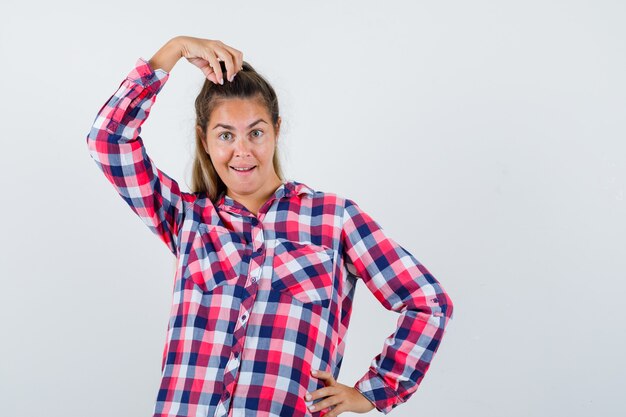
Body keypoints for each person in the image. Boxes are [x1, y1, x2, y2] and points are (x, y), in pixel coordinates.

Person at [86, 35, 454, 417]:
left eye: (256, 132)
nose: (242, 151)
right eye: (225, 135)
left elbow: (428, 302)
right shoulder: (187, 219)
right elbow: (107, 140)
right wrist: (174, 50)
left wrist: (375, 391)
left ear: (277, 131)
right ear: (205, 140)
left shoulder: (333, 219)